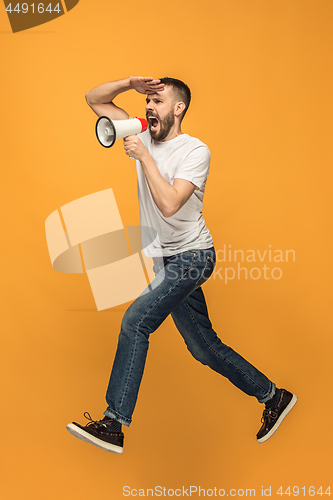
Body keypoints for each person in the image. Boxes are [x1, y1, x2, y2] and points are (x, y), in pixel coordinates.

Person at [66, 76, 297, 454]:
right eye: (147, 101)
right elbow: (93, 99)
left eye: (158, 101)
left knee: (135, 321)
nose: (148, 107)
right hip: (165, 262)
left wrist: (143, 157)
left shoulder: (195, 150)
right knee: (204, 348)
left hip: (193, 258)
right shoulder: (140, 133)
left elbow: (171, 203)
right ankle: (274, 397)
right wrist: (129, 83)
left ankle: (114, 423)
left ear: (179, 108)